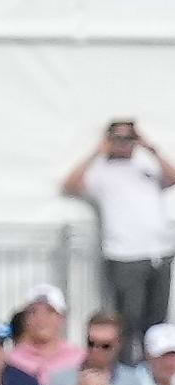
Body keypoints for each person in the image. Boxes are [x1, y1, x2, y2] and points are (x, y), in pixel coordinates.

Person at [63, 119, 173, 336]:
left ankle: (154, 367)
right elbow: (71, 185)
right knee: (128, 319)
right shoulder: (101, 170)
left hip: (159, 253)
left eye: (129, 138)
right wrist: (96, 152)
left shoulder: (146, 165)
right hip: (124, 255)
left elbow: (172, 178)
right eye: (118, 138)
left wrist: (151, 148)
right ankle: (128, 366)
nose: (124, 143)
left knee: (158, 322)